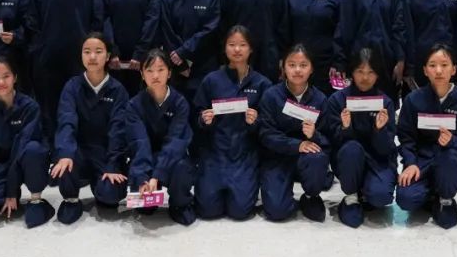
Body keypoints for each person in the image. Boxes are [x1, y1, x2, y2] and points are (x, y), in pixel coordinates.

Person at [27, 0, 104, 144]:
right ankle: (52, 148)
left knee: (80, 105)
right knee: (49, 106)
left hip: (80, 58)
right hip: (48, 56)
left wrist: (92, 51)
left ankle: (77, 150)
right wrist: (39, 47)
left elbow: (97, 20)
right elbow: (32, 18)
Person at [192, 26, 272, 221]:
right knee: (208, 211)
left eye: (242, 45)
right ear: (225, 48)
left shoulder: (262, 83)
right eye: (232, 44)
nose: (237, 49)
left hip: (245, 154)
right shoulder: (211, 80)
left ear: (251, 49)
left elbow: (269, 123)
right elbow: (196, 115)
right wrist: (204, 119)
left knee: (240, 212)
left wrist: (256, 121)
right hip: (215, 152)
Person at [51, 33, 131, 223]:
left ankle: (100, 186)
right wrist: (66, 153)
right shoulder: (72, 87)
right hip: (78, 150)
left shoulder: (118, 90)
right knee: (65, 162)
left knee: (110, 195)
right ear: (81, 55)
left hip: (104, 152)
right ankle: (71, 199)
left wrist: (113, 165)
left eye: (98, 51)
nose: (92, 57)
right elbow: (66, 121)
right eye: (87, 52)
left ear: (108, 55)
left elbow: (118, 129)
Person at [395, 44, 457, 228]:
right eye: (432, 65)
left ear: (454, 69)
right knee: (405, 199)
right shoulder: (413, 100)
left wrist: (452, 141)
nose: (438, 71)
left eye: (444, 65)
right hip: (422, 161)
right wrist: (410, 163)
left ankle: (445, 198)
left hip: (451, 162)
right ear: (425, 70)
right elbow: (406, 138)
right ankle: (432, 194)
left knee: (449, 158)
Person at [0, 56, 53, 228]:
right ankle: (0, 197)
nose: (1, 82)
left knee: (33, 149)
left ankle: (36, 199)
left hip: (25, 160)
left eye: (6, 76)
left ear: (14, 77)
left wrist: (11, 192)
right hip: (1, 164)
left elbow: (22, 147)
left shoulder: (30, 107)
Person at [321, 47, 397, 228]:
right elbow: (332, 143)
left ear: (377, 74)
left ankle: (367, 191)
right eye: (360, 71)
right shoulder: (337, 100)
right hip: (349, 160)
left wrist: (379, 129)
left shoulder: (385, 102)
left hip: (377, 159)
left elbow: (387, 148)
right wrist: (345, 128)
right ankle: (351, 197)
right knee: (352, 148)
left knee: (381, 197)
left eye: (371, 72)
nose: (365, 77)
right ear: (351, 72)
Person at [256, 44, 331, 222]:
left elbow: (329, 138)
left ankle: (311, 196)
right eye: (292, 65)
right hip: (277, 156)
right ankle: (283, 194)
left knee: (317, 157)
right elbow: (266, 134)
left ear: (311, 68)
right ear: (283, 67)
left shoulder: (320, 99)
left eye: (303, 65)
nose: (297, 70)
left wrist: (314, 135)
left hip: (307, 156)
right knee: (277, 211)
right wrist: (297, 144)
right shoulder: (271, 96)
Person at [123, 50, 197, 225]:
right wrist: (143, 177)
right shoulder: (134, 105)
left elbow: (175, 142)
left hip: (172, 156)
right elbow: (139, 142)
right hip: (146, 156)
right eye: (149, 70)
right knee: (145, 209)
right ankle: (146, 191)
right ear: (142, 74)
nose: (155, 75)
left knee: (181, 167)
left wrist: (157, 175)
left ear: (169, 73)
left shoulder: (180, 103)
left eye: (161, 70)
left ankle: (179, 205)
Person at [160, 0, 222, 102]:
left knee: (203, 107)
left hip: (204, 61)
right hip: (175, 64)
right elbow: (167, 31)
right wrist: (180, 61)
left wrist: (184, 51)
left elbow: (210, 29)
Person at [286, 0, 341, 95]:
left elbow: (342, 31)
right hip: (296, 64)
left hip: (327, 64)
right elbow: (284, 28)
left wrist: (339, 62)